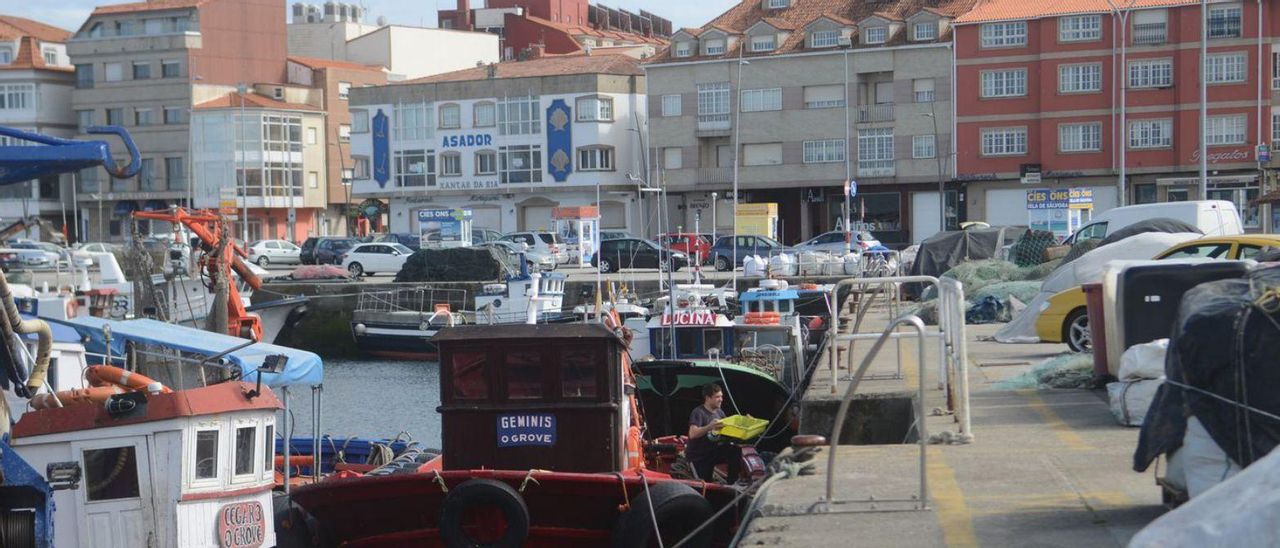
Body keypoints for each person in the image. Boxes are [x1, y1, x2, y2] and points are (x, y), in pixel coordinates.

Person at [686, 383, 742, 483]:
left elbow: (728, 430)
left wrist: (744, 422)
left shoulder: (720, 412)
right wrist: (709, 426)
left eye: (721, 396)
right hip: (699, 456)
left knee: (735, 450)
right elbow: (692, 434)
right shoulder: (698, 412)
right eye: (717, 397)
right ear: (708, 398)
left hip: (713, 450)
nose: (721, 399)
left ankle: (732, 482)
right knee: (706, 481)